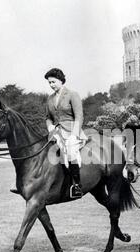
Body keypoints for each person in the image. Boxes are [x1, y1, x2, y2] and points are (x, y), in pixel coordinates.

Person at [44, 68, 87, 198]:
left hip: (72, 130)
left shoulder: (72, 94)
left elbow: (79, 116)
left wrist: (74, 134)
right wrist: (50, 126)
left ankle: (77, 185)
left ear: (61, 81)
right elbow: (47, 117)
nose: (51, 85)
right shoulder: (50, 99)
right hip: (56, 132)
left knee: (71, 150)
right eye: (49, 83)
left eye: (53, 82)